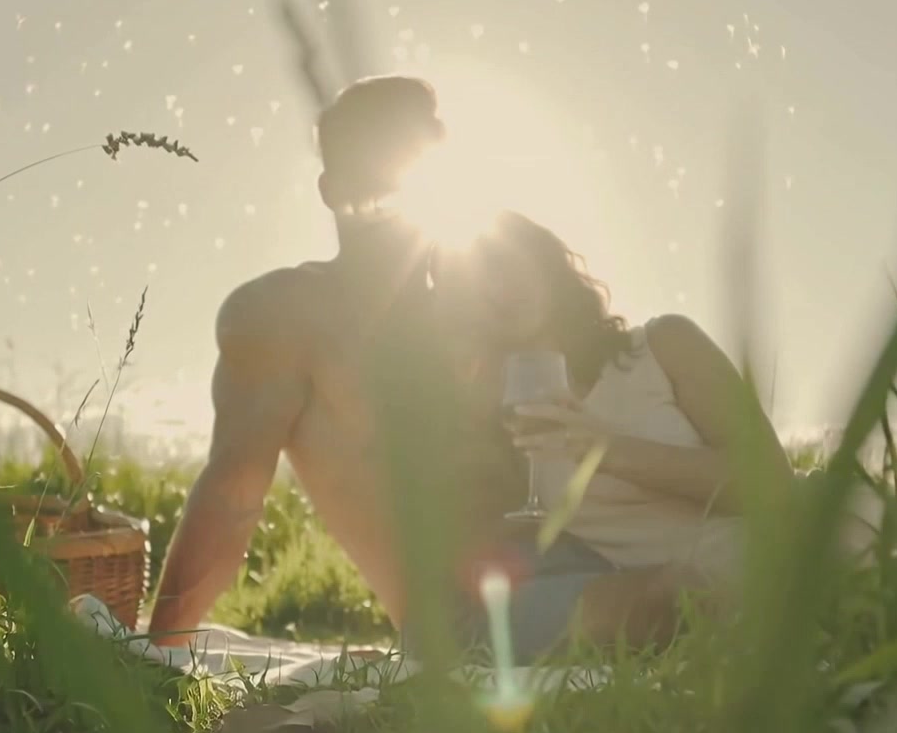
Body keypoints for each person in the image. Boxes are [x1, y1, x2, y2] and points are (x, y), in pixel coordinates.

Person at [146, 75, 523, 643]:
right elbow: (234, 494)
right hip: (477, 632)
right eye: (375, 164)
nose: (390, 186)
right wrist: (158, 654)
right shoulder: (288, 315)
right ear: (330, 189)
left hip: (597, 573)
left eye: (409, 161)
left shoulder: (488, 309)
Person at [432, 210, 799, 660]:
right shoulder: (511, 417)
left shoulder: (664, 345)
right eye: (475, 287)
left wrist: (609, 451)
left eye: (504, 263)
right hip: (687, 607)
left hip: (795, 557)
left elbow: (772, 482)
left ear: (544, 260)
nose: (497, 289)